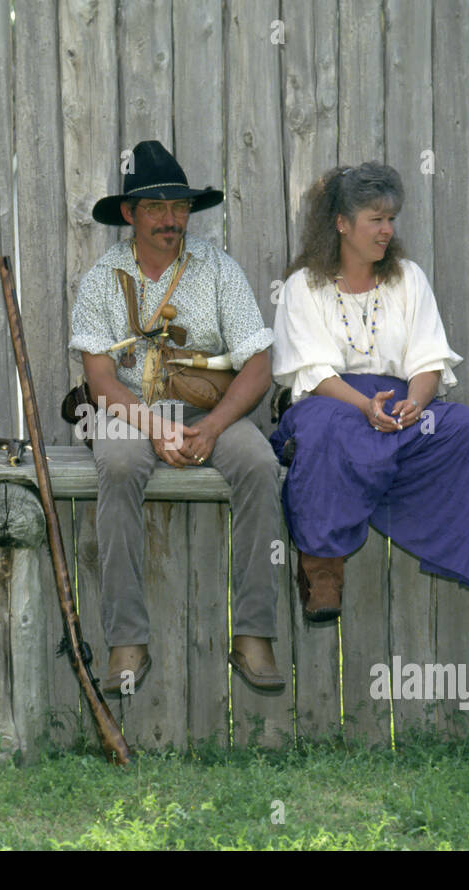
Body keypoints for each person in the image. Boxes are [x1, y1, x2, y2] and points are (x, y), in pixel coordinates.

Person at [69, 139, 285, 693]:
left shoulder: (218, 270)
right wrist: (158, 429)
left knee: (260, 463)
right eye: (156, 208)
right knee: (116, 465)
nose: (172, 220)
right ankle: (127, 639)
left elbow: (257, 367)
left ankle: (254, 633)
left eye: (180, 206)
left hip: (212, 410)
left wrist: (211, 428)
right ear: (129, 214)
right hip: (132, 412)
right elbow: (101, 382)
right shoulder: (100, 279)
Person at [269, 163, 469, 623]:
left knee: (466, 429)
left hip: (398, 406)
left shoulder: (407, 278)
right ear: (341, 223)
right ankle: (322, 565)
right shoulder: (303, 286)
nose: (387, 230)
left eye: (391, 219)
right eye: (376, 219)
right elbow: (312, 374)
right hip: (332, 403)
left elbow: (428, 358)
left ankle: (435, 530)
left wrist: (417, 401)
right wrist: (364, 407)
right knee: (331, 432)